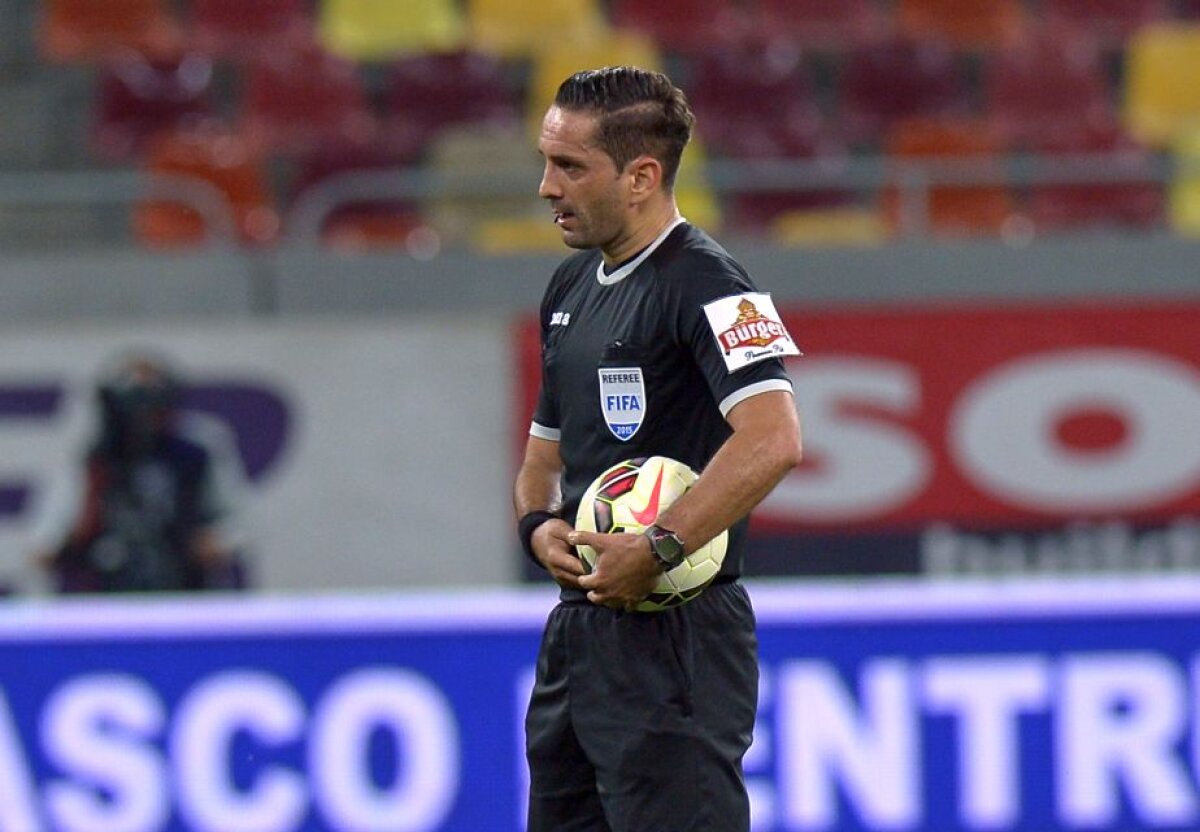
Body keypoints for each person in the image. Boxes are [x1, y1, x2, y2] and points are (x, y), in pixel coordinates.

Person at [513, 66, 804, 831]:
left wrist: (660, 545)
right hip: (579, 632)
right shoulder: (569, 287)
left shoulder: (712, 284)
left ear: (641, 177)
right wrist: (539, 527)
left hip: (678, 638)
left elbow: (775, 437)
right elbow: (542, 460)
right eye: (546, 162)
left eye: (570, 166)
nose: (546, 187)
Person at [34, 352, 248, 593]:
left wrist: (217, 541)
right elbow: (46, 539)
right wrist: (63, 542)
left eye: (152, 405)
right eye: (134, 405)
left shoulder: (194, 455)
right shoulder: (94, 460)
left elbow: (239, 522)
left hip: (183, 586)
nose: (143, 418)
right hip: (106, 588)